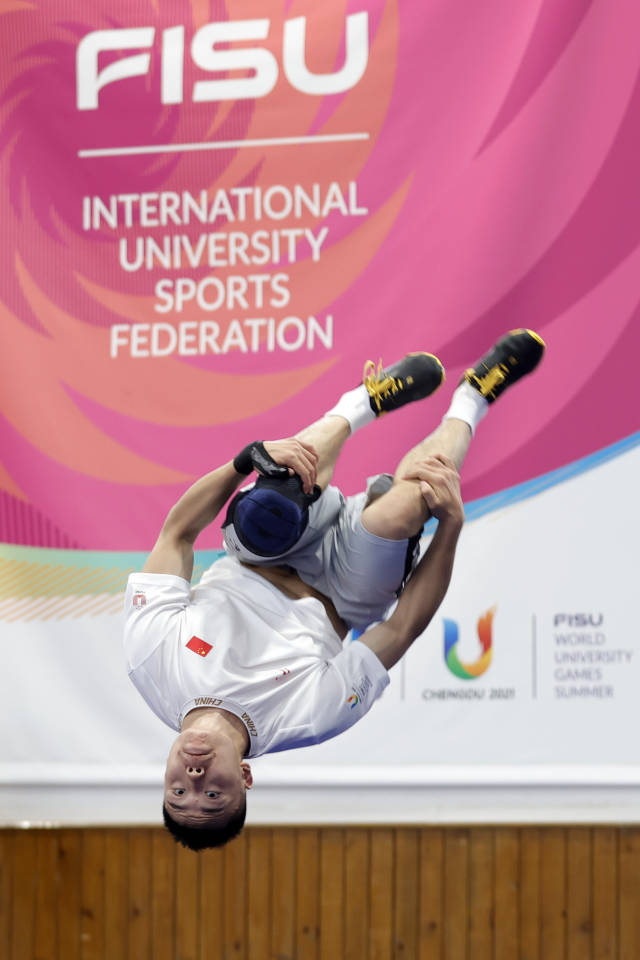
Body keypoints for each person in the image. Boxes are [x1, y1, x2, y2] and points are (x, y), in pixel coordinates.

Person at [123, 329, 545, 850]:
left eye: (177, 790)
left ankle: (362, 402)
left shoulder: (150, 665)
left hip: (265, 547)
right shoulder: (310, 719)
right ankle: (474, 395)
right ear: (246, 779)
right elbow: (401, 626)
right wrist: (452, 525)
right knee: (414, 502)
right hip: (345, 590)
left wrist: (245, 460)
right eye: (213, 796)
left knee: (267, 505)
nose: (195, 777)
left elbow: (177, 534)